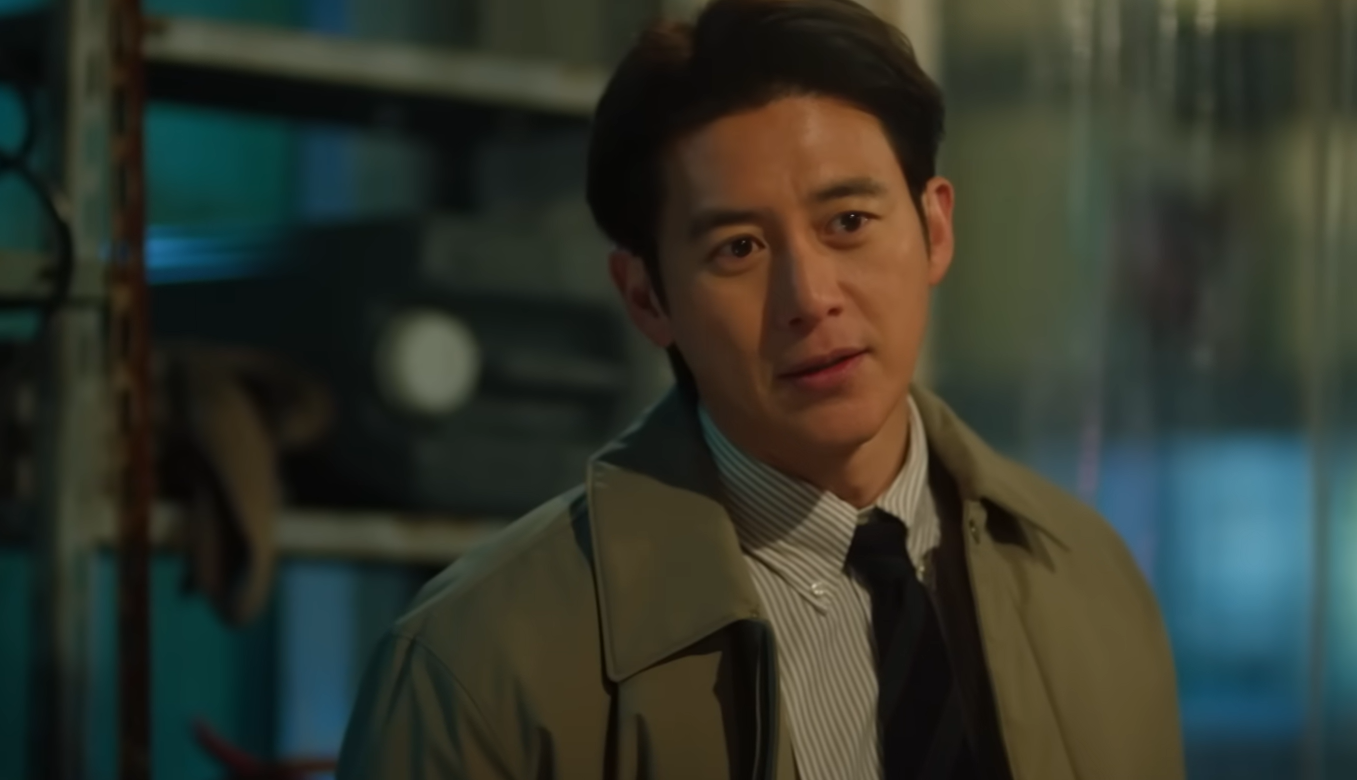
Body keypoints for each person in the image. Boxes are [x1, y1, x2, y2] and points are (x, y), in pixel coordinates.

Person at [335, 1, 1184, 778]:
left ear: (934, 228)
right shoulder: (478, 662)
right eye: (738, 248)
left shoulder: (1088, 580)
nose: (809, 299)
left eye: (848, 222)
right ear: (647, 298)